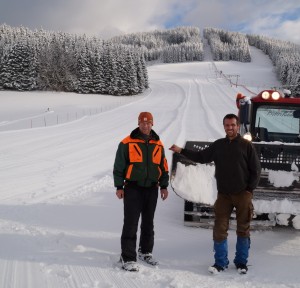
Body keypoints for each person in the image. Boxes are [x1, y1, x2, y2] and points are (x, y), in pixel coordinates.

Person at [169, 114, 261, 275]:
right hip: (224, 195)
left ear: (237, 126)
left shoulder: (246, 146)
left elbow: (256, 170)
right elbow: (201, 157)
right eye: (227, 125)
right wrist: (181, 150)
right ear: (224, 126)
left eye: (232, 125)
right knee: (219, 229)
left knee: (243, 229)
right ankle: (220, 262)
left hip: (242, 194)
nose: (229, 128)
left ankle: (241, 262)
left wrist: (249, 190)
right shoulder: (219, 145)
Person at [113, 112, 169, 272]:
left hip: (152, 188)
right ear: (138, 123)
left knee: (148, 223)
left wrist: (164, 186)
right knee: (131, 223)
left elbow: (163, 167)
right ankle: (127, 257)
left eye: (148, 123)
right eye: (142, 123)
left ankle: (145, 252)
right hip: (133, 188)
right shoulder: (126, 142)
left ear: (152, 124)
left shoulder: (158, 143)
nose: (145, 125)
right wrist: (119, 187)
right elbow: (118, 166)